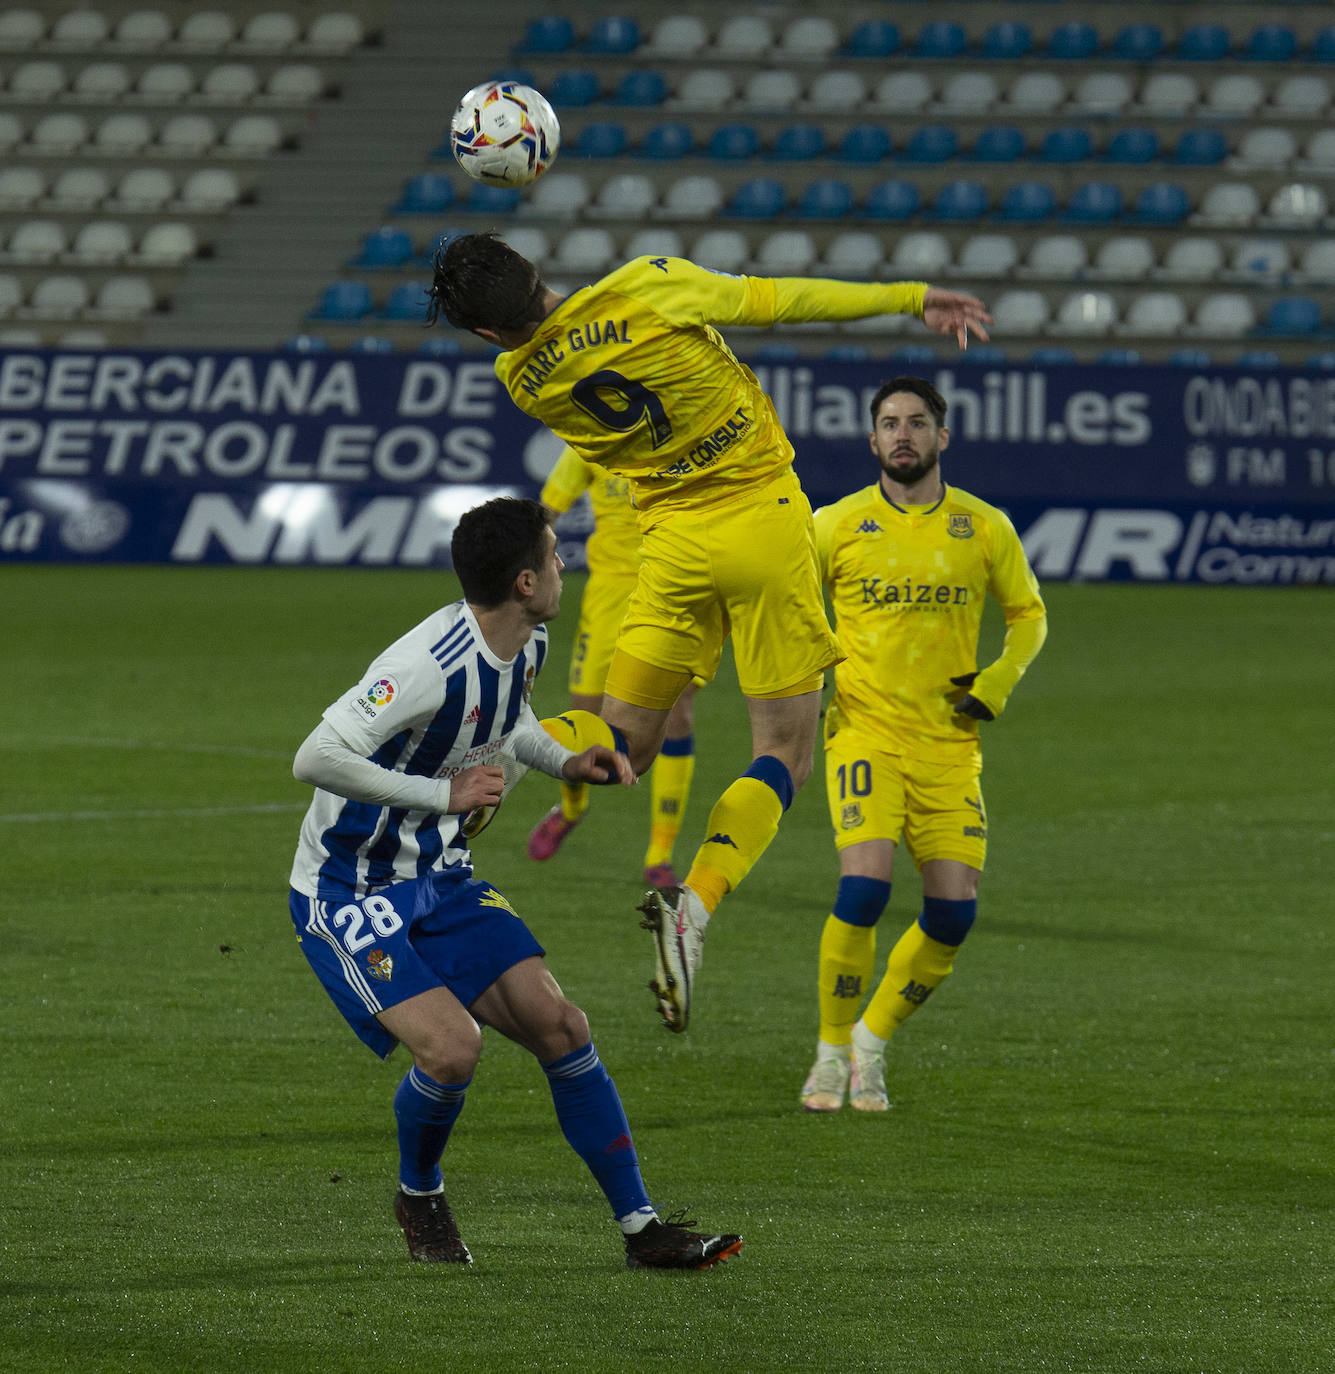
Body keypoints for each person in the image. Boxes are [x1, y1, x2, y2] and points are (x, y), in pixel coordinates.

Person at [427, 235, 992, 1036]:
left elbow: (551, 339)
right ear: (533, 268)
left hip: (671, 548)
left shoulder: (521, 378)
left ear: (487, 334)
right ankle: (691, 908)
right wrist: (909, 297)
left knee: (620, 744)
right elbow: (781, 298)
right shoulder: (651, 286)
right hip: (762, 523)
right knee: (784, 753)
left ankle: (495, 765)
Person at [287, 495, 742, 1270]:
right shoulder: (424, 665)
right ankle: (419, 1195)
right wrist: (443, 796)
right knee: (453, 1051)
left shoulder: (522, 642)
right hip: (350, 889)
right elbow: (315, 757)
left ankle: (641, 1229)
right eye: (556, 554)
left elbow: (510, 722)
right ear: (525, 580)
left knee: (561, 1026)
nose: (567, 564)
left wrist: (563, 761)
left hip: (442, 875)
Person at [799, 377, 1047, 1113]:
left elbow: (1028, 616)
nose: (901, 434)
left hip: (948, 746)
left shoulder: (983, 527)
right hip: (864, 736)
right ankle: (829, 1051)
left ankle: (871, 1044)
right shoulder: (834, 525)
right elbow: (786, 607)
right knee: (864, 887)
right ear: (871, 441)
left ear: (942, 436)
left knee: (952, 914)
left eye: (915, 423)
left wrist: (996, 682)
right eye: (887, 423)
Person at [527, 442, 698, 887]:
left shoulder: (684, 434)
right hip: (608, 595)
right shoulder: (591, 439)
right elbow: (548, 510)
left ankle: (660, 854)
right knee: (586, 717)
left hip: (671, 591)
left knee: (677, 715)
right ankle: (571, 808)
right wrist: (533, 564)